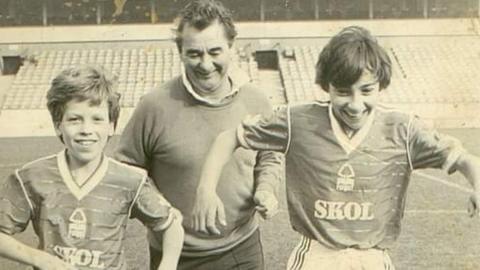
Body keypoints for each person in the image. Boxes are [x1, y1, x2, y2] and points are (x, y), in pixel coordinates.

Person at [192, 26, 480, 270]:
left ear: (381, 84)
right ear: (326, 86)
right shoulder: (298, 121)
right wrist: (205, 190)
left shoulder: (403, 130)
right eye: (343, 92)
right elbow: (228, 137)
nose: (355, 104)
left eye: (366, 90)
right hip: (317, 255)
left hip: (373, 258)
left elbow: (465, 160)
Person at [114, 1, 283, 269]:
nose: (206, 65)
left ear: (232, 48)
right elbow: (126, 169)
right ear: (180, 52)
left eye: (215, 52)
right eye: (194, 54)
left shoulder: (256, 100)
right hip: (176, 254)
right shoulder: (154, 106)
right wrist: (161, 213)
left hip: (243, 248)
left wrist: (265, 189)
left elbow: (269, 155)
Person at [0, 65, 184, 270]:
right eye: (74, 119)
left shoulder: (130, 180)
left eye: (97, 119)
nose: (86, 130)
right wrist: (40, 259)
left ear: (111, 126)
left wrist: (167, 265)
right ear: (58, 124)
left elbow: (172, 225)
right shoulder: (31, 177)